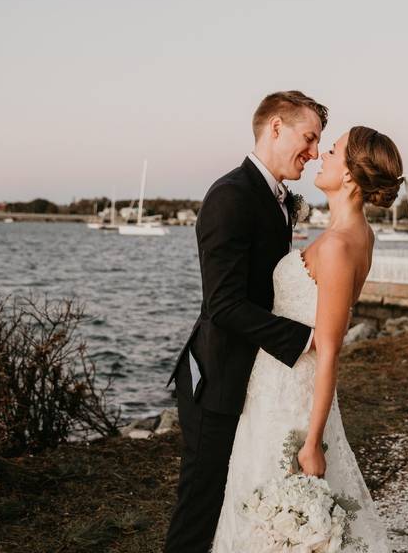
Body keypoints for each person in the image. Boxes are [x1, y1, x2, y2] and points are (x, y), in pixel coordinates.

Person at [212, 126, 402, 552]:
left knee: (273, 509)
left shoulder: (337, 245)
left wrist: (313, 441)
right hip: (277, 382)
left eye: (332, 151)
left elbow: (330, 348)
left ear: (351, 174)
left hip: (290, 395)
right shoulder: (358, 234)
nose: (321, 156)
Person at [163, 90, 327, 553]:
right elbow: (224, 304)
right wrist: (305, 339)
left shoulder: (275, 199)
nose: (314, 153)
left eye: (319, 144)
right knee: (201, 505)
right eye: (309, 138)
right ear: (276, 127)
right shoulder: (231, 196)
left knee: (235, 500)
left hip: (252, 377)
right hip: (215, 378)